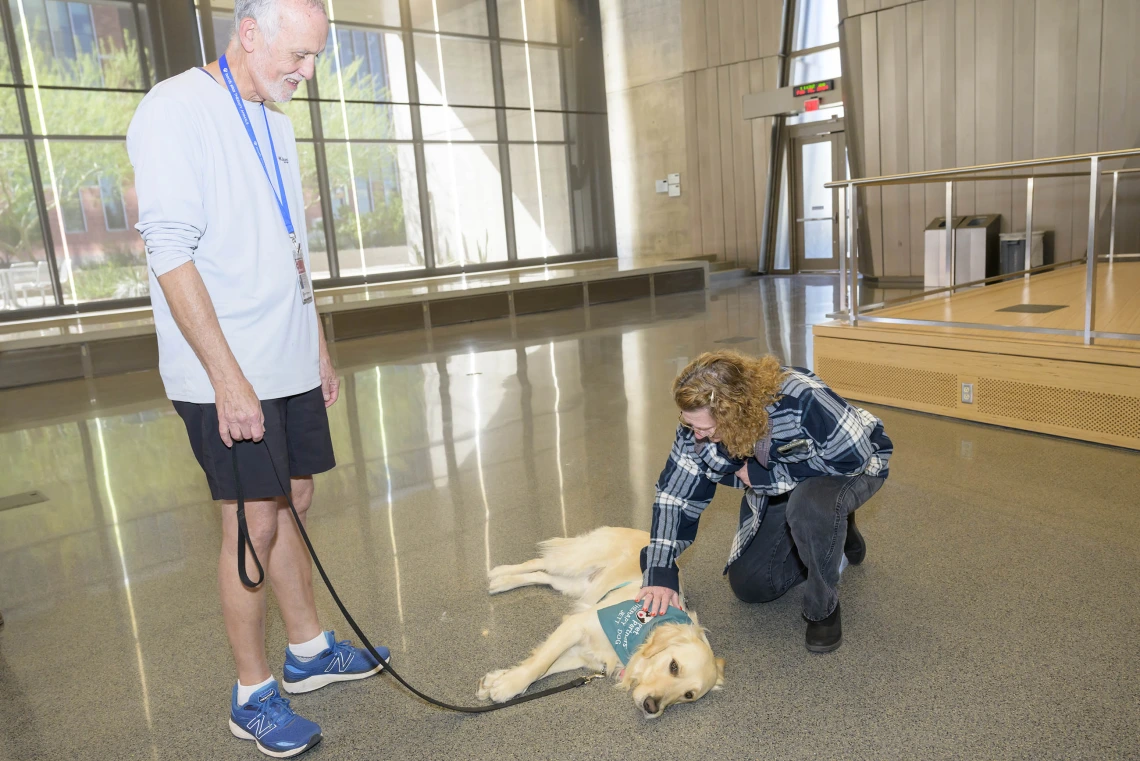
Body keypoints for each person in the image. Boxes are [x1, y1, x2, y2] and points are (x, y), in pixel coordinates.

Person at [127, 0, 387, 756]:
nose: (307, 73)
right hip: (225, 371)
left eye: (314, 57)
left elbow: (288, 239)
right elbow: (169, 252)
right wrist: (226, 380)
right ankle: (251, 692)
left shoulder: (273, 116)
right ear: (250, 34)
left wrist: (318, 341)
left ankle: (308, 651)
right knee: (251, 520)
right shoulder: (174, 108)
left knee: (295, 497)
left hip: (286, 356)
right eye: (299, 56)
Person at [635, 350, 892, 653]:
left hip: (850, 467)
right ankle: (835, 531)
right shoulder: (698, 428)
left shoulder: (800, 397)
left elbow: (855, 456)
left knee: (810, 506)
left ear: (735, 413)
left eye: (704, 427)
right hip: (777, 482)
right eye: (689, 424)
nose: (697, 435)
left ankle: (823, 608)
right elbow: (674, 496)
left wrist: (763, 475)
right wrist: (660, 570)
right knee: (752, 586)